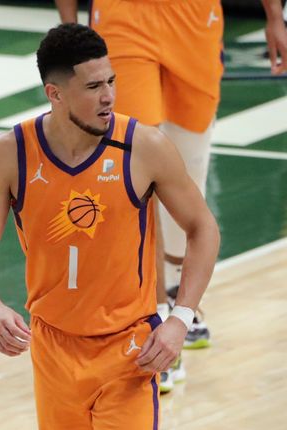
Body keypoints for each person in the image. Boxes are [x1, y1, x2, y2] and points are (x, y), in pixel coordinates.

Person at [0, 24, 220, 430]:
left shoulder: (143, 147)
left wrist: (179, 318)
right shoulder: (10, 154)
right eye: (94, 86)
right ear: (55, 93)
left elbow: (202, 227)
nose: (109, 96)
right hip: (53, 348)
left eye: (112, 81)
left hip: (129, 347)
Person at [55, 0, 287, 392]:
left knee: (187, 166)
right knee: (137, 162)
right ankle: (155, 313)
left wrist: (273, 16)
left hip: (194, 18)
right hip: (123, 16)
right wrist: (69, 35)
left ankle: (180, 292)